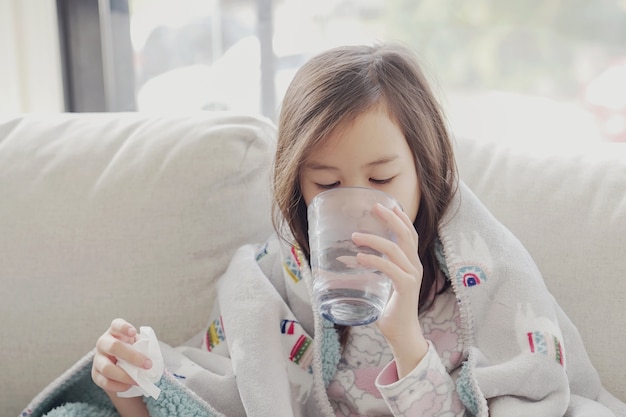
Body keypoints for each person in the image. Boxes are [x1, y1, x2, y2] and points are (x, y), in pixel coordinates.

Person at [89, 43, 624, 417]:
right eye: (327, 183)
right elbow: (214, 397)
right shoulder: (275, 280)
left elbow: (532, 393)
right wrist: (133, 379)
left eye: (382, 178)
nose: (359, 203)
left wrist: (405, 337)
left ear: (425, 167)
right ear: (297, 186)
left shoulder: (486, 275)